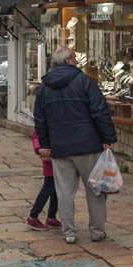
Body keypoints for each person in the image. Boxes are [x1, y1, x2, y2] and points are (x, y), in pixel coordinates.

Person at [34, 46, 116, 245]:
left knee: (64, 191)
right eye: (76, 58)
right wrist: (108, 137)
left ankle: (69, 232)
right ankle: (97, 231)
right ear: (70, 59)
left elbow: (40, 118)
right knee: (96, 190)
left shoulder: (44, 87)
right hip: (88, 145)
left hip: (60, 147)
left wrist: (45, 144)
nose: (78, 62)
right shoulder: (84, 81)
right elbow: (99, 110)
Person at [27, 129, 60, 230]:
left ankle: (51, 217)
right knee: (48, 187)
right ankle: (33, 217)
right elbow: (37, 135)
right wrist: (39, 149)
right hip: (49, 156)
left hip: (59, 156)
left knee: (56, 189)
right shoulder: (45, 117)